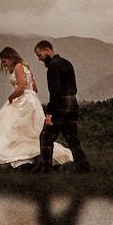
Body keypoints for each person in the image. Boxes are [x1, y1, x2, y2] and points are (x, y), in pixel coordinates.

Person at [0, 47, 73, 169]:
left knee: (15, 131)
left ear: (11, 58)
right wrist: (29, 94)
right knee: (27, 132)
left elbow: (21, 87)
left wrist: (11, 97)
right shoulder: (26, 67)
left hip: (23, 102)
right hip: (32, 102)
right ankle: (32, 157)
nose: (4, 64)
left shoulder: (18, 67)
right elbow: (35, 88)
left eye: (4, 61)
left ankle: (19, 157)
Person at [33, 40, 91, 173]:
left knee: (46, 136)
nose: (39, 59)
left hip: (61, 103)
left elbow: (55, 91)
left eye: (40, 55)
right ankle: (83, 168)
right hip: (73, 101)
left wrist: (49, 113)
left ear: (47, 50)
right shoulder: (67, 63)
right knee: (72, 138)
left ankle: (46, 169)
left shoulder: (53, 66)